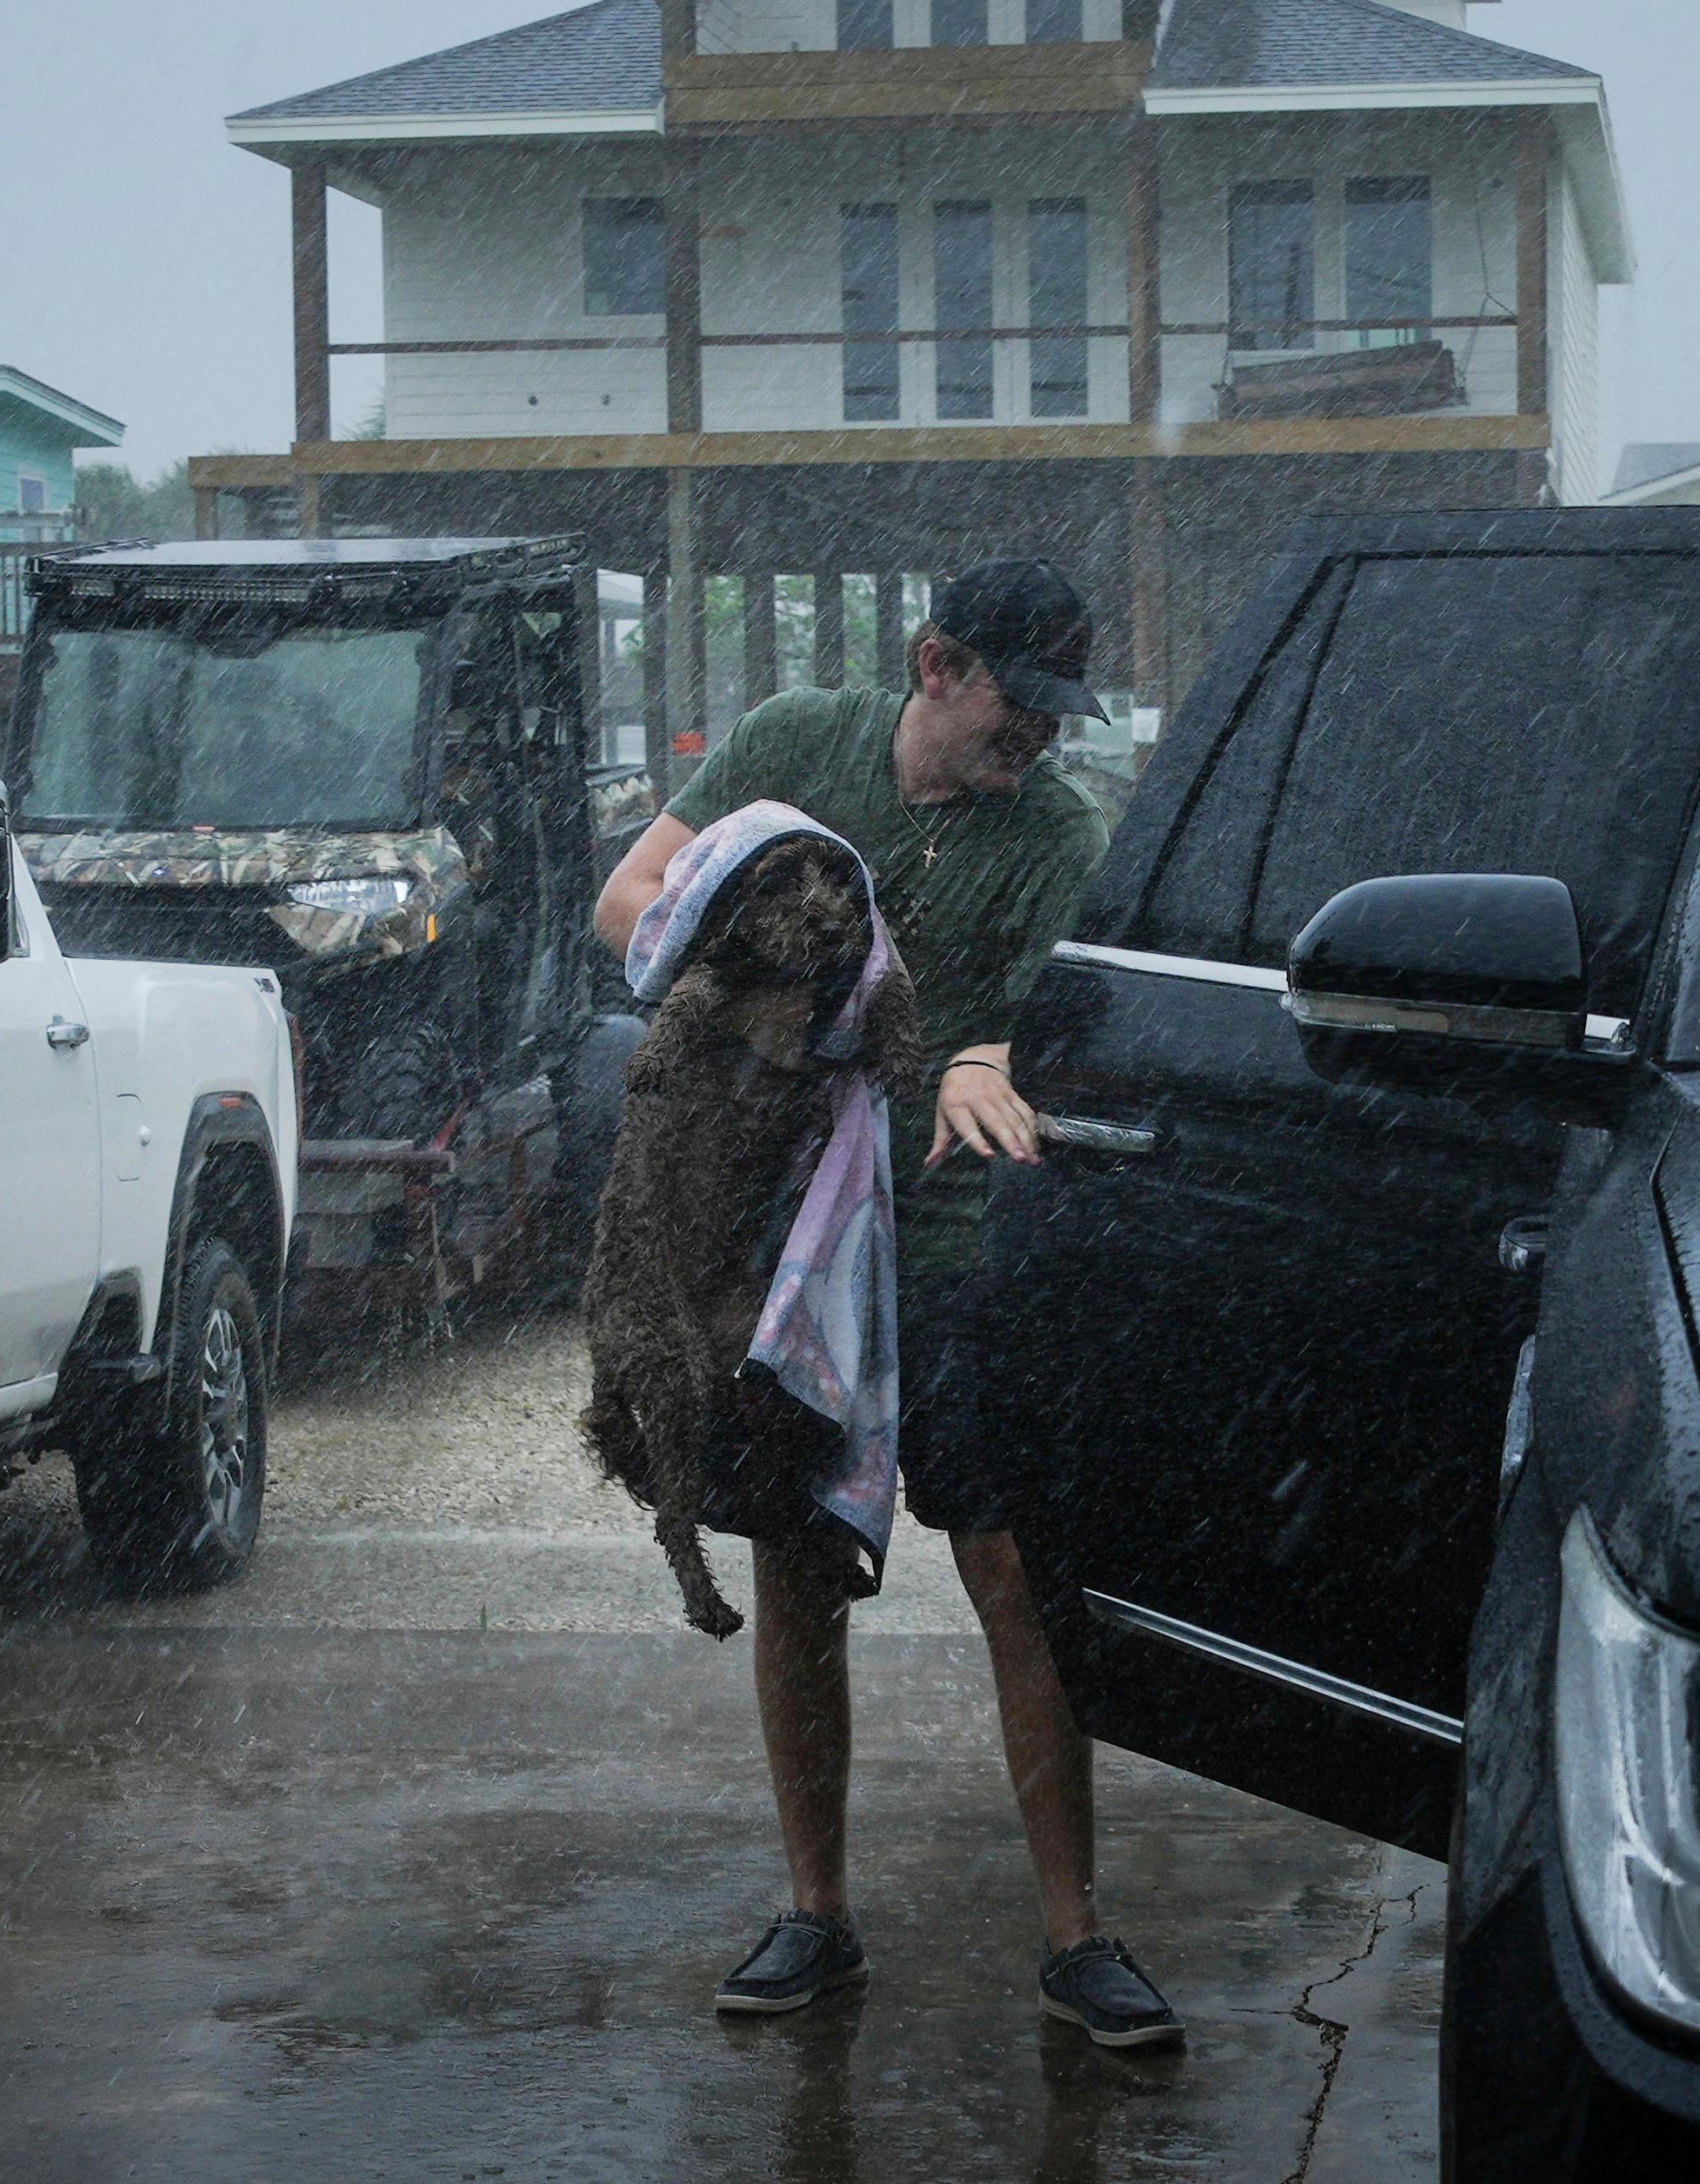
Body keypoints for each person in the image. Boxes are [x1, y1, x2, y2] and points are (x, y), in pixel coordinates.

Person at [592, 558, 1181, 2045]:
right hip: (786, 1246)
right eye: (1014, 703)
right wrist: (781, 982)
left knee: (1013, 1577)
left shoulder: (1054, 832)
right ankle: (817, 1914)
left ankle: (1076, 1934)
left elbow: (1047, 1026)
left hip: (961, 1247)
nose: (1035, 737)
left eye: (1058, 711)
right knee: (796, 1574)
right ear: (935, 664)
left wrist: (992, 1056)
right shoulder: (795, 747)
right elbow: (627, 903)